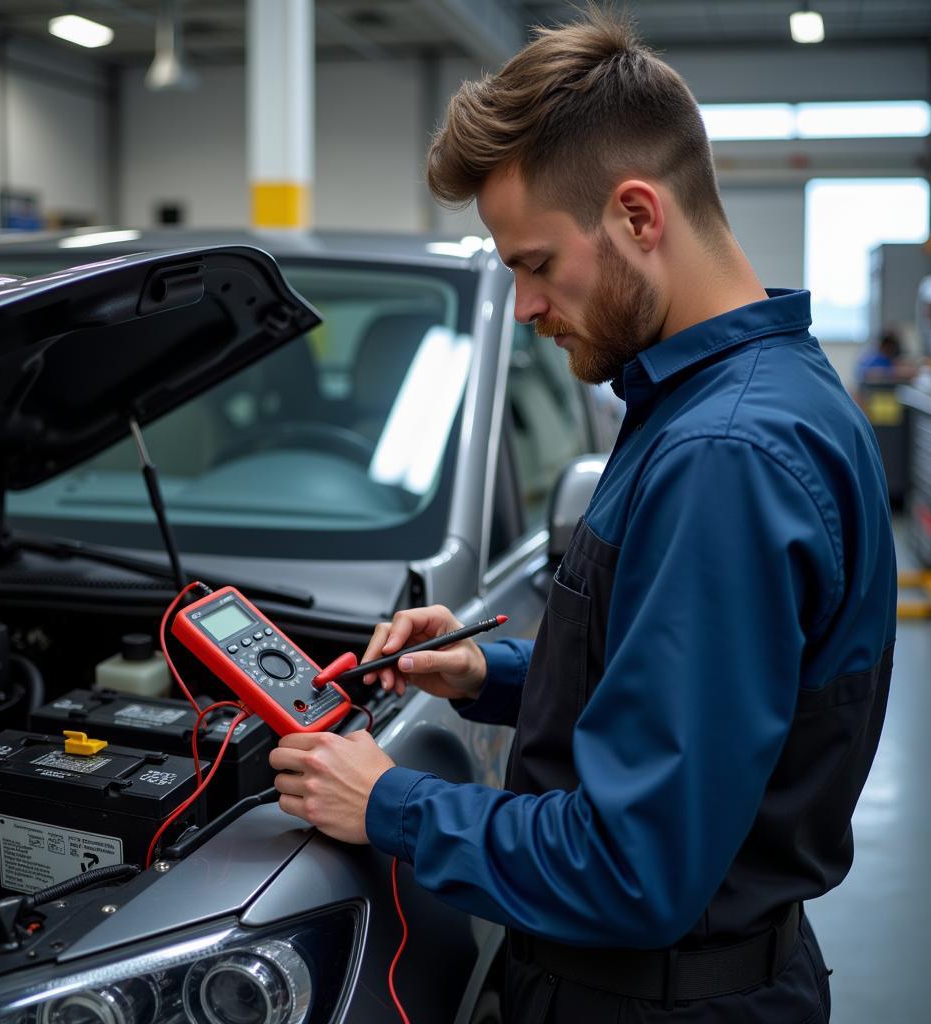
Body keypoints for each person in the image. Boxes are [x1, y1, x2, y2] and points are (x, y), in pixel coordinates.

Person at [269, 8, 896, 1021]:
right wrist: (491, 673)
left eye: (531, 263)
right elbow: (712, 703)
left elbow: (632, 867)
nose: (523, 306)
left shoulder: (721, 456)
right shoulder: (745, 392)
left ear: (639, 216)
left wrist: (388, 802)